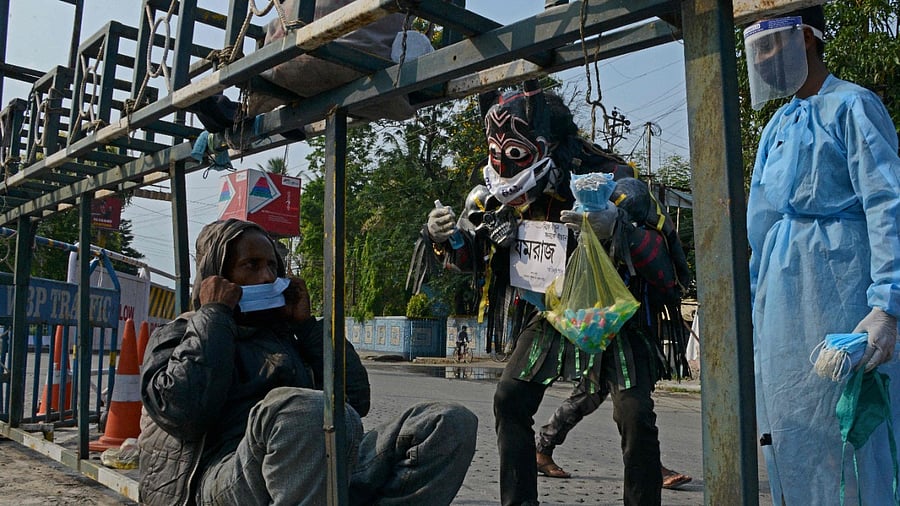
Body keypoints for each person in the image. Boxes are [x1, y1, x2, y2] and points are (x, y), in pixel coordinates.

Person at [423, 80, 692, 506]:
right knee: (509, 399)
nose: (504, 166)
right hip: (549, 312)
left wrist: (619, 228)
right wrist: (445, 238)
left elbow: (667, 269)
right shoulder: (490, 194)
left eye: (516, 154)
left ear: (547, 144)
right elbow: (468, 259)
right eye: (497, 155)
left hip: (615, 313)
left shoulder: (613, 180)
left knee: (635, 414)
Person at [138, 218, 478, 505]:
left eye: (272, 265)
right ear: (217, 277)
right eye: (251, 265)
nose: (269, 277)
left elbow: (355, 402)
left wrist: (307, 327)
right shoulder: (183, 332)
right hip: (223, 475)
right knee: (304, 410)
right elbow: (183, 414)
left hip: (318, 463)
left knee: (448, 421)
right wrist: (214, 315)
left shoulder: (285, 333)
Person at [745, 5, 900, 505]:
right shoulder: (777, 127)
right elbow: (759, 223)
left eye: (769, 47)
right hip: (782, 302)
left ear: (806, 38)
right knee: (793, 427)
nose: (764, 62)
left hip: (842, 287)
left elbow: (886, 202)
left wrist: (886, 305)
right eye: (758, 52)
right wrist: (754, 298)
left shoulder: (853, 106)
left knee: (851, 426)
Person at [535, 377, 692, 489]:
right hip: (602, 339)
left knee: (588, 396)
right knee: (596, 397)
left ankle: (543, 451)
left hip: (621, 338)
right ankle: (651, 469)